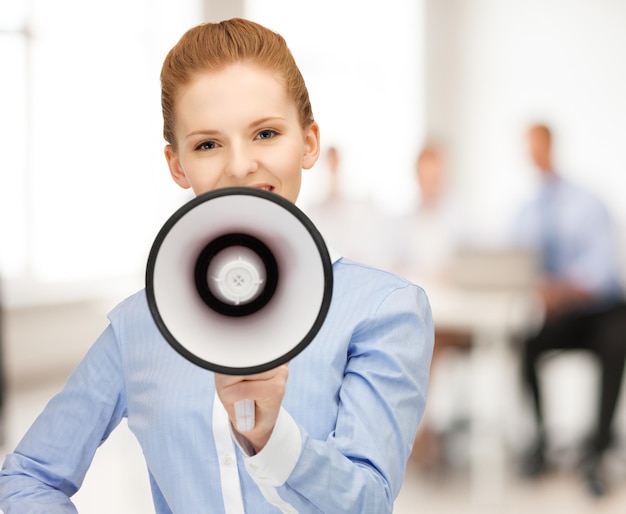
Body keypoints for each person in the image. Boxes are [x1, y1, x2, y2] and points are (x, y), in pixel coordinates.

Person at [0, 18, 434, 513]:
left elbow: (368, 503)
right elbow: (27, 477)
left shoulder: (382, 310)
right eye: (208, 144)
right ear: (177, 164)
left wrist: (273, 438)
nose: (240, 165)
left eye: (266, 133)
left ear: (308, 142)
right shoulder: (139, 325)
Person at [513, 123, 626, 497]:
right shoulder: (527, 210)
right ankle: (540, 442)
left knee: (617, 338)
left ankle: (598, 450)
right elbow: (516, 263)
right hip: (559, 316)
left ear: (550, 146)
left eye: (538, 146)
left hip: (598, 312)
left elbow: (605, 272)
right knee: (525, 342)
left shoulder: (587, 202)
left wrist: (562, 289)